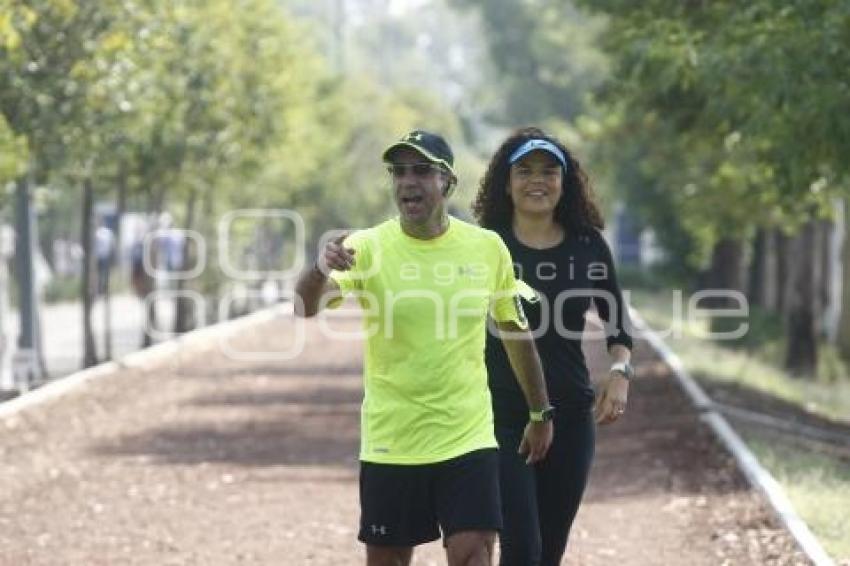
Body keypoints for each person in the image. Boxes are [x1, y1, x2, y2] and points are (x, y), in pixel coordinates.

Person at [294, 130, 555, 566]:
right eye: (398, 171)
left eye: (421, 171)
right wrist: (321, 266)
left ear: (447, 183)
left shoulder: (486, 247)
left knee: (475, 555)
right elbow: (304, 307)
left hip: (466, 436)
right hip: (392, 438)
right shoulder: (367, 246)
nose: (407, 181)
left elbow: (515, 331)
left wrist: (540, 411)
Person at [473, 127, 634, 566]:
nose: (536, 180)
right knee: (522, 549)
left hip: (570, 417)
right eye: (524, 171)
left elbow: (617, 326)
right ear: (506, 184)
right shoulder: (486, 245)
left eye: (548, 171)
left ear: (565, 183)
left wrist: (619, 374)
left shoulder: (588, 245)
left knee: (549, 551)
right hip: (499, 414)